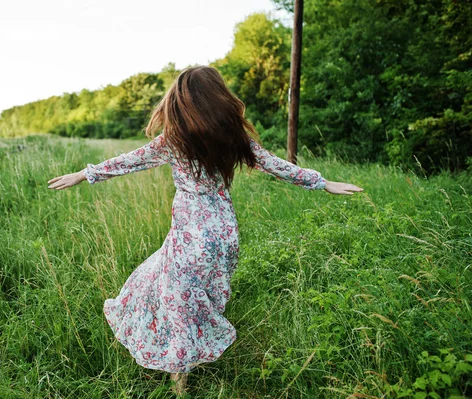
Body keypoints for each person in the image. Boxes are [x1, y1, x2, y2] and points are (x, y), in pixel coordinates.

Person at [47, 66, 363, 395]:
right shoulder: (233, 138)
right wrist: (323, 183)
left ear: (181, 103)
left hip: (191, 230)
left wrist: (84, 174)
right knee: (184, 290)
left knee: (175, 298)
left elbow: (128, 161)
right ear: (218, 98)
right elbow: (276, 165)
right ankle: (186, 355)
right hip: (223, 233)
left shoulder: (174, 140)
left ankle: (179, 381)